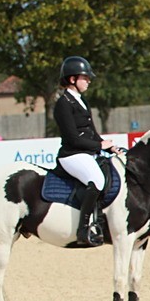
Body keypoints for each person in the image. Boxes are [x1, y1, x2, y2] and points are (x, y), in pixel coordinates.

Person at [54, 55, 119, 246]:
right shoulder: (63, 104)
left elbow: (91, 132)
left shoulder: (82, 101)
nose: (89, 81)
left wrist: (110, 146)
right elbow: (73, 138)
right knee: (97, 180)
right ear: (72, 79)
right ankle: (84, 230)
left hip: (85, 153)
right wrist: (99, 146)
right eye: (85, 77)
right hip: (71, 155)